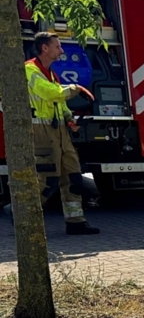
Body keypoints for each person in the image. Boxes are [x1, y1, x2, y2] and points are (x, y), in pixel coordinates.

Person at [25, 32, 98, 234]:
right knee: (47, 181)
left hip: (59, 131)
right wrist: (76, 88)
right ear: (45, 48)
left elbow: (59, 102)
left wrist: (68, 118)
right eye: (57, 46)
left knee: (73, 177)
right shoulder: (30, 70)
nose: (62, 51)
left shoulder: (50, 73)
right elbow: (50, 93)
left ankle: (76, 222)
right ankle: (21, 214)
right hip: (42, 131)